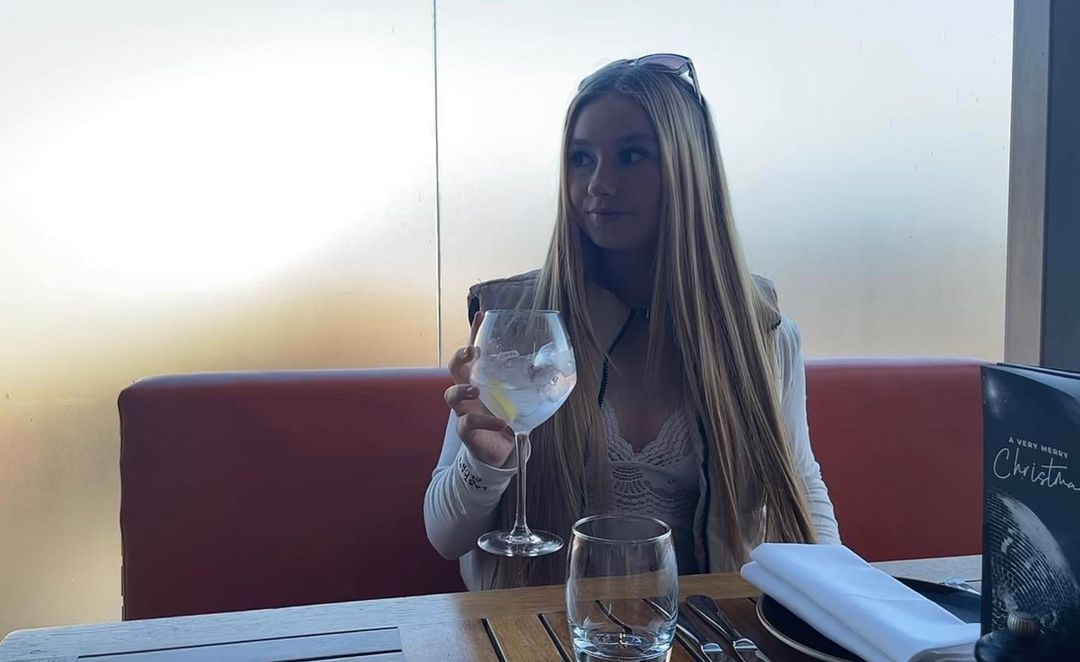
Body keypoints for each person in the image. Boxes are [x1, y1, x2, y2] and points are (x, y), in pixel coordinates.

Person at [424, 54, 840, 590]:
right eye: (581, 158)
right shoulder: (518, 326)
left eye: (632, 155)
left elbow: (802, 482)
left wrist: (844, 599)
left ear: (689, 170)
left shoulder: (762, 336)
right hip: (538, 621)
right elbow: (444, 536)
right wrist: (485, 464)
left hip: (699, 623)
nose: (599, 184)